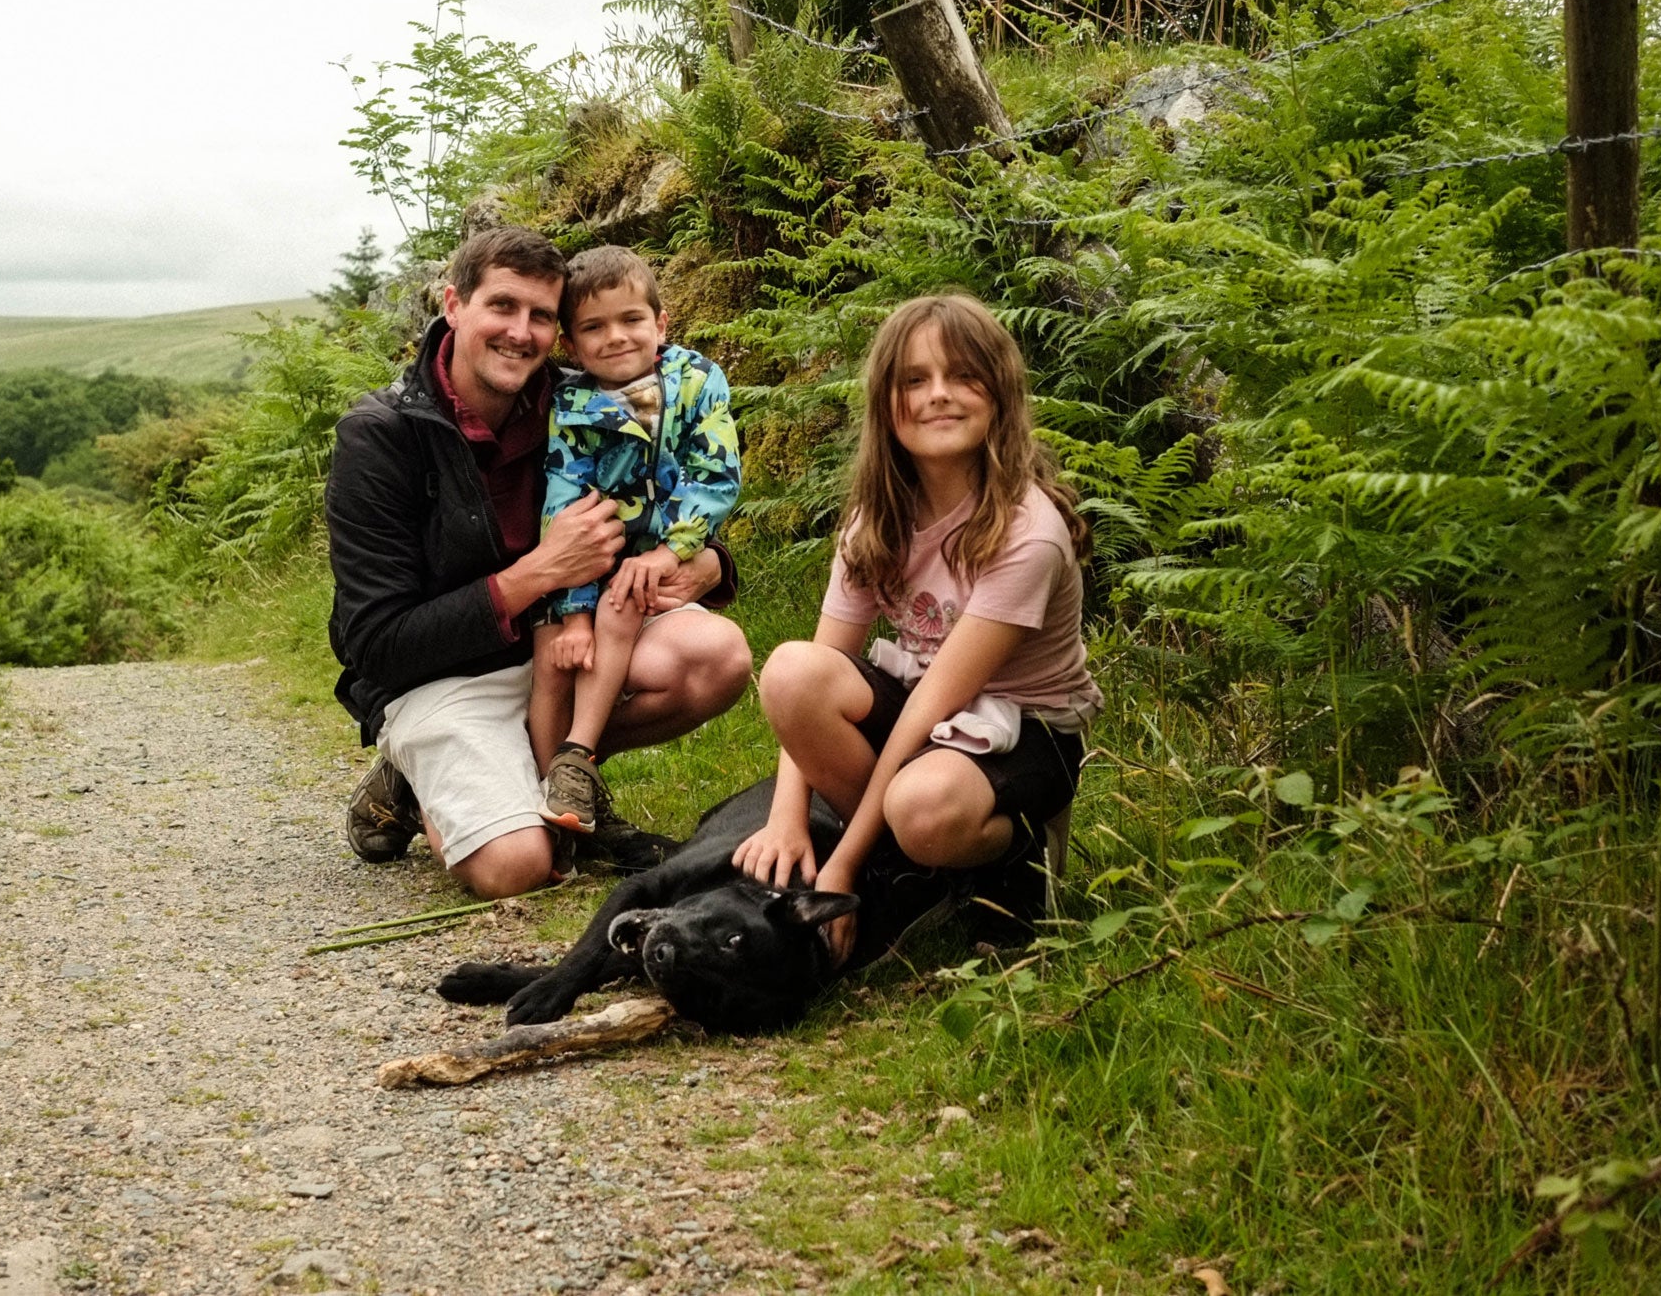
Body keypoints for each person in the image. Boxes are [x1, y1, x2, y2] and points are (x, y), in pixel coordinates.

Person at [324, 226, 753, 899]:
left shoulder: (578, 395)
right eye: (502, 305)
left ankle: (559, 779)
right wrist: (540, 573)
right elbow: (374, 643)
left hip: (567, 644)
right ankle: (422, 778)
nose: (520, 332)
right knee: (515, 867)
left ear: (560, 332)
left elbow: (658, 487)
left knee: (716, 656)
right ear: (454, 305)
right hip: (445, 676)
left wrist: (708, 564)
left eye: (541, 316)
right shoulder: (380, 437)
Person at [730, 293, 1103, 956]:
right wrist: (785, 817)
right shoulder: (876, 521)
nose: (939, 395)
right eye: (915, 379)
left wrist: (841, 864)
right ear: (886, 403)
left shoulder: (1029, 530)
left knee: (921, 806)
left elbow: (933, 702)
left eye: (963, 375)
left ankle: (1016, 859)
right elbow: (821, 666)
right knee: (791, 673)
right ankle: (911, 864)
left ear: (1000, 394)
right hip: (932, 716)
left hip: (1029, 730)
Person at [529, 247, 742, 845]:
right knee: (556, 664)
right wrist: (572, 611)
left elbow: (716, 474)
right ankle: (555, 803)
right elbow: (563, 502)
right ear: (571, 345)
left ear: (662, 324)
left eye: (631, 320)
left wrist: (672, 551)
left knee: (625, 602)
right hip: (585, 563)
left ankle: (575, 761)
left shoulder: (698, 381)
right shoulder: (572, 407)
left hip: (652, 564)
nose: (615, 337)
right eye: (593, 327)